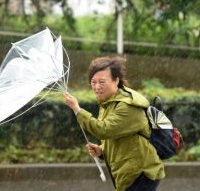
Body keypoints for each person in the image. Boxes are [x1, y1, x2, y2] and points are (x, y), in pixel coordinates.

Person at [64, 56, 165, 191]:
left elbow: (104, 130)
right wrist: (102, 151)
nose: (97, 87)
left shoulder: (127, 106)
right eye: (93, 82)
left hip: (141, 173)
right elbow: (117, 137)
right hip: (129, 172)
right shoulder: (108, 103)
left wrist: (77, 109)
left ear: (116, 81)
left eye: (102, 82)